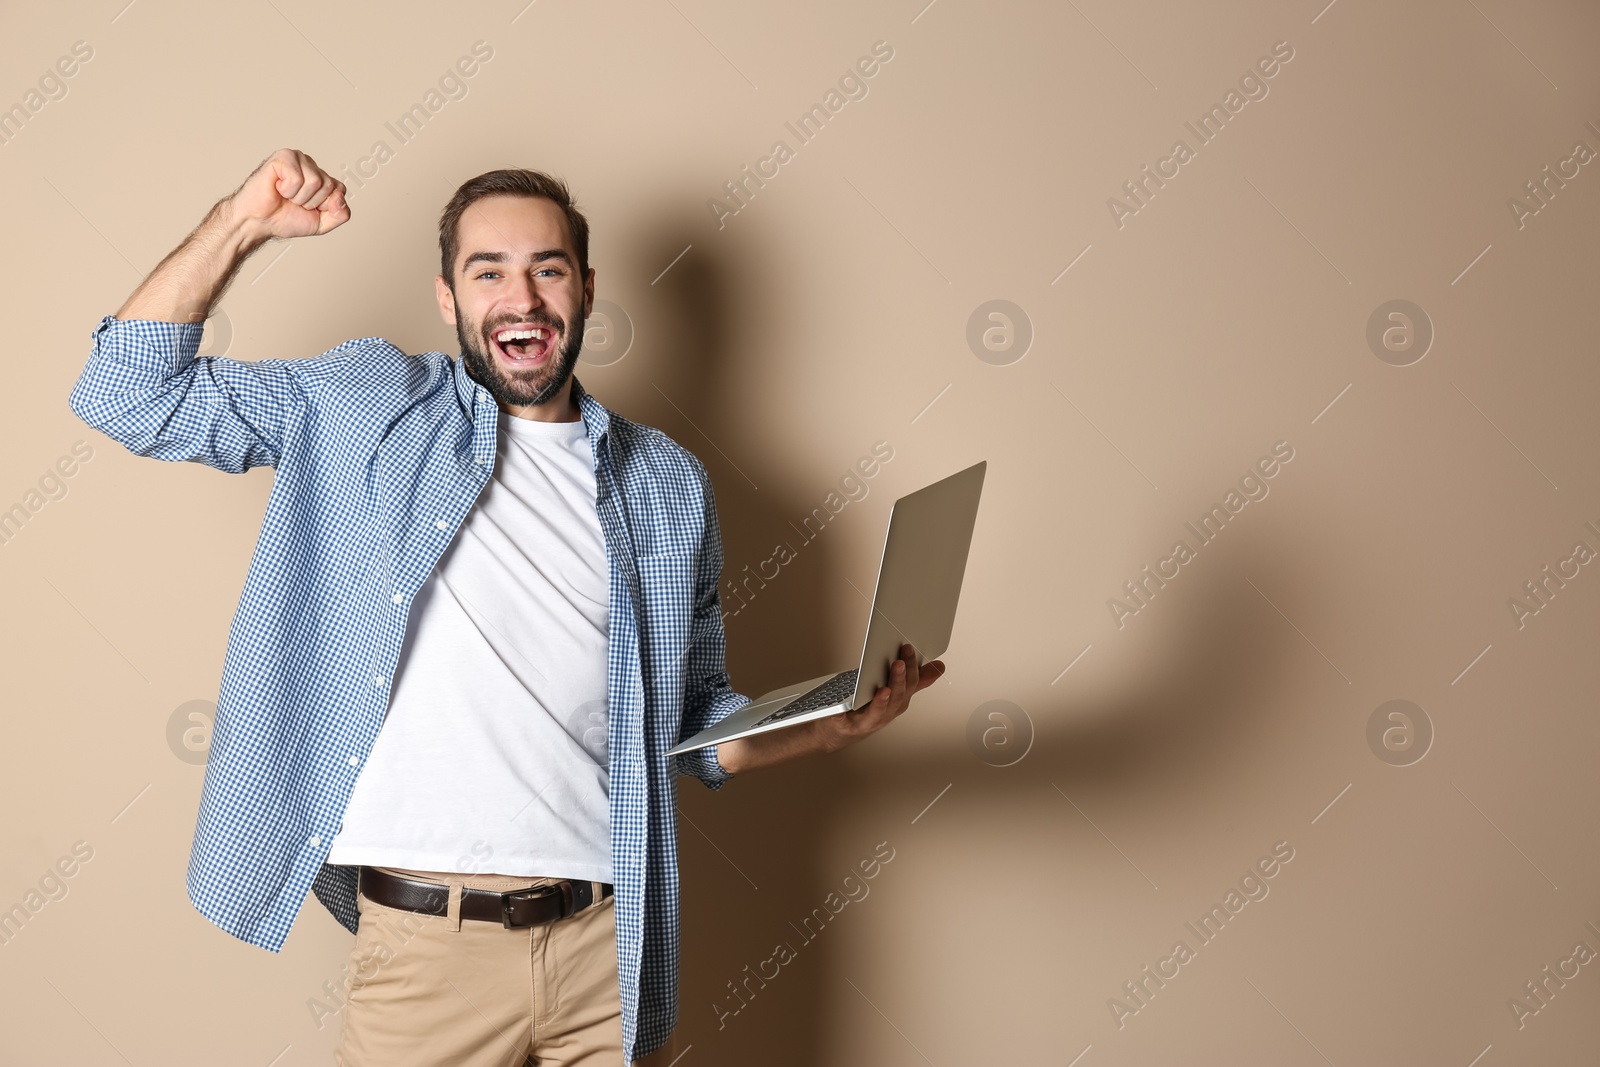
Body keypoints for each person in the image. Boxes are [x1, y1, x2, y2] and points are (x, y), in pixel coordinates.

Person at [68, 148, 945, 1066]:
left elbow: (690, 723)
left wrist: (831, 725)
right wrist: (242, 221)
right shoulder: (363, 402)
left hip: (609, 952)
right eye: (488, 271)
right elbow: (126, 391)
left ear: (588, 289)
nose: (521, 298)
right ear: (448, 297)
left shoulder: (667, 483)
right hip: (426, 953)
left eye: (548, 268)